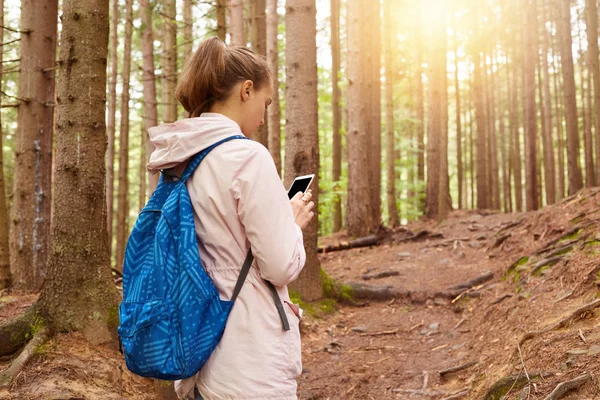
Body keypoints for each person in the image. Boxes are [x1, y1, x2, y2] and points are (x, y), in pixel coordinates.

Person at [146, 37, 314, 400]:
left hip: (196, 341)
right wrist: (292, 225)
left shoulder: (180, 160)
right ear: (247, 90)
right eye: (266, 103)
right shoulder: (247, 157)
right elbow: (280, 265)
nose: (265, 116)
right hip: (248, 354)